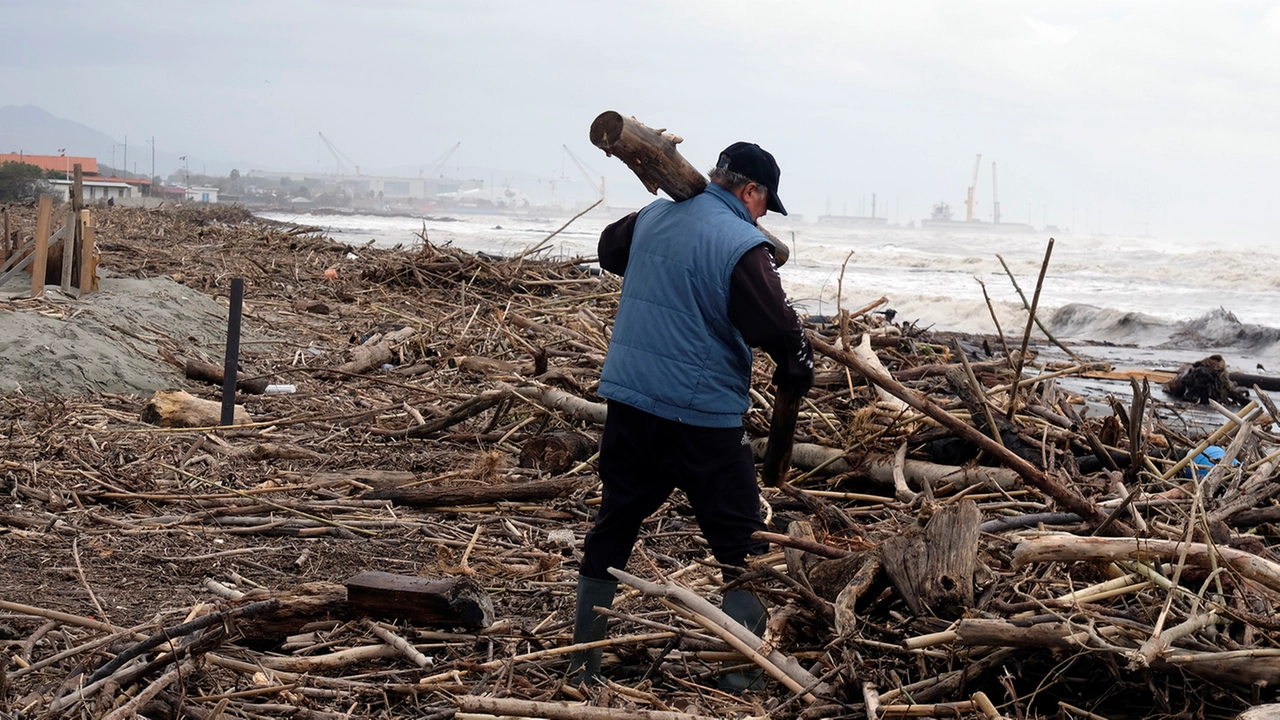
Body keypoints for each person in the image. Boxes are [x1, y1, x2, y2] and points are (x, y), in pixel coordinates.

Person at [570, 142, 814, 690]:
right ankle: (740, 678)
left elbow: (609, 250)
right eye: (763, 206)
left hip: (631, 402)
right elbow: (775, 328)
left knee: (615, 524)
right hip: (701, 414)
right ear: (751, 192)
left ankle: (583, 662)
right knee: (741, 541)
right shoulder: (741, 243)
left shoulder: (653, 216)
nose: (761, 218)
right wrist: (798, 364)